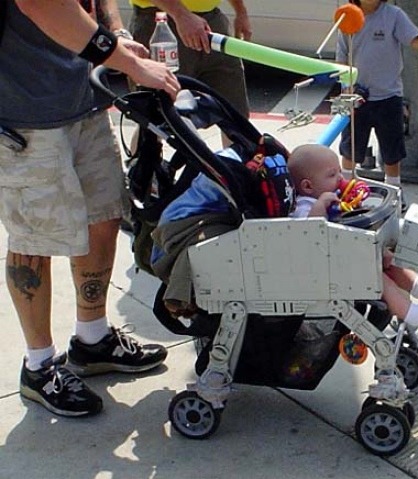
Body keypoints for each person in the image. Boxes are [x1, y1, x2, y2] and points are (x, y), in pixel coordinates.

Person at [0, 0, 181, 418]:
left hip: (85, 97)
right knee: (34, 238)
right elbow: (43, 5)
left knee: (104, 216)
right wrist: (129, 65)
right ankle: (39, 366)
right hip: (25, 113)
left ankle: (92, 339)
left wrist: (114, 33)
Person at [287, 144, 418, 329]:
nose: (339, 179)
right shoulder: (304, 206)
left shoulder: (333, 193)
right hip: (326, 266)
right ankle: (408, 312)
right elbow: (307, 234)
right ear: (307, 186)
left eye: (339, 172)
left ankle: (414, 283)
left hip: (343, 252)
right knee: (376, 276)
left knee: (385, 256)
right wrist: (321, 206)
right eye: (331, 175)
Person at [336, 0, 418, 207]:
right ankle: (346, 190)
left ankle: (394, 195)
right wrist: (346, 87)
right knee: (350, 150)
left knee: (392, 153)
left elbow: (417, 42)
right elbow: (341, 59)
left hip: (389, 97)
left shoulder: (394, 15)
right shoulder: (347, 17)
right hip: (357, 98)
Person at [128, 0, 251, 146]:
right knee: (156, 117)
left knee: (235, 114)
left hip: (211, 19)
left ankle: (236, 165)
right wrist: (181, 15)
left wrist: (241, 11)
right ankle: (141, 165)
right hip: (162, 20)